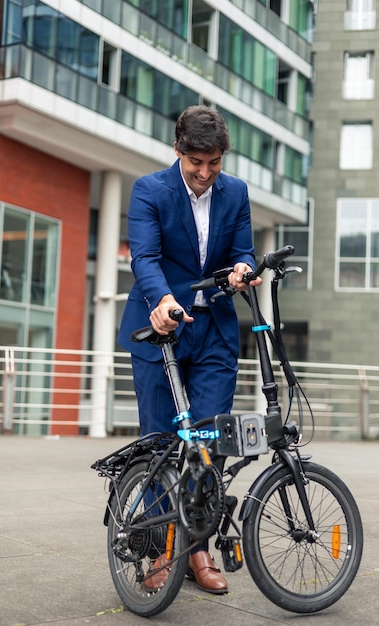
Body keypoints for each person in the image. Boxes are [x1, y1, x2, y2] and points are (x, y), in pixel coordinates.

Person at [118, 105, 261, 594]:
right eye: (196, 162)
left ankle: (197, 549)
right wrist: (161, 300)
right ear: (177, 151)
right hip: (160, 330)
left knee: (206, 445)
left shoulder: (236, 192)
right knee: (161, 443)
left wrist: (242, 269)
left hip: (215, 332)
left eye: (213, 163)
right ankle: (160, 548)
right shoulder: (149, 190)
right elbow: (146, 256)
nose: (204, 174)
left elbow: (241, 248)